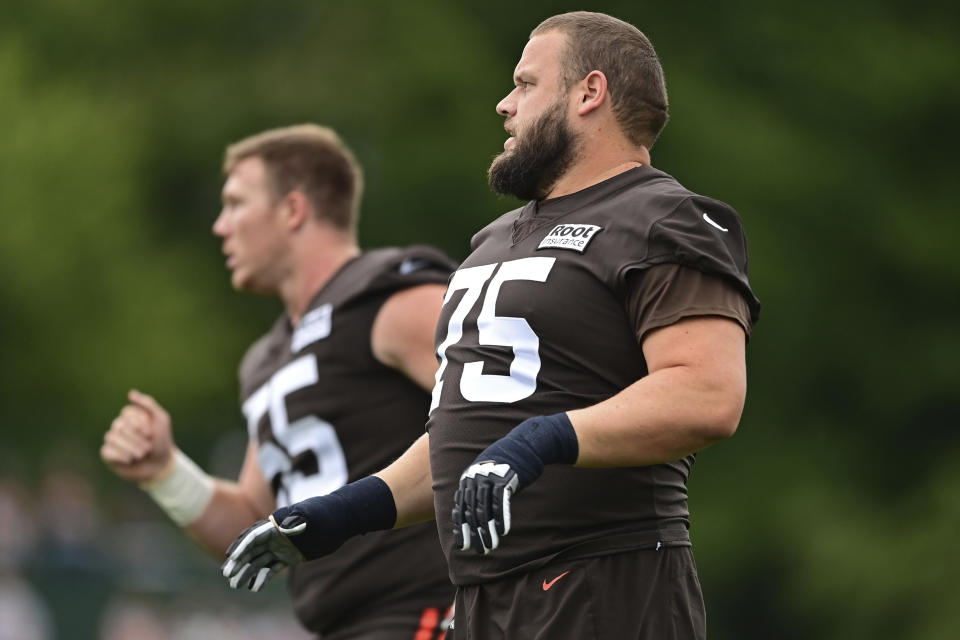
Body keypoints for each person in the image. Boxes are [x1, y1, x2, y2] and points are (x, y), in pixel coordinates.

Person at [222, 12, 762, 639]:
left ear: (590, 92)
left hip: (604, 581)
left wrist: (539, 442)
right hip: (483, 600)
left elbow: (706, 395)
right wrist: (338, 515)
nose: (505, 105)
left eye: (526, 84)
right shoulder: (493, 241)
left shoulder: (663, 216)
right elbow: (465, 445)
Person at [100, 124, 456, 640]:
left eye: (236, 204)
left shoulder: (386, 298)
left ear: (292, 210)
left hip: (424, 608)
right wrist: (165, 471)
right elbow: (256, 522)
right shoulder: (267, 358)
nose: (221, 226)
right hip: (340, 625)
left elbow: (493, 411)